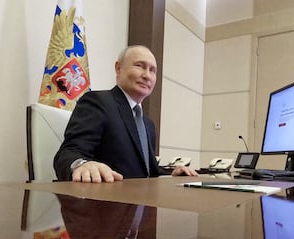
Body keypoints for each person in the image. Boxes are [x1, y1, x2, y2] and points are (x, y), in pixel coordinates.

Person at [54, 45, 198, 182]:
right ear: (118, 68)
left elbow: (148, 172)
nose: (147, 75)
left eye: (152, 70)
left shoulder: (148, 124)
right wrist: (82, 165)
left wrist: (171, 175)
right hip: (107, 203)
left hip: (142, 203)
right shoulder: (97, 102)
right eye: (139, 66)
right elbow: (69, 153)